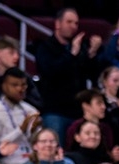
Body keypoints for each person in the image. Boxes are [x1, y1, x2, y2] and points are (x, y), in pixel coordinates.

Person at [32, 9, 105, 140]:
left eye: (76, 23)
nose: (73, 26)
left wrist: (92, 53)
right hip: (55, 111)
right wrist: (71, 55)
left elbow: (92, 75)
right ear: (58, 24)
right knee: (54, 151)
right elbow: (50, 72)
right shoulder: (45, 47)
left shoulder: (79, 47)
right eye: (69, 22)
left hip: (78, 112)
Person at [0, 67, 38, 164]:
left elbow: (35, 142)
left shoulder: (31, 110)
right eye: (14, 85)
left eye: (23, 85)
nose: (20, 89)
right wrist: (20, 130)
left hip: (30, 163)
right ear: (4, 86)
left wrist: (35, 131)